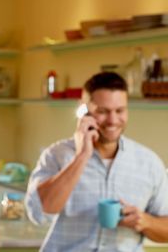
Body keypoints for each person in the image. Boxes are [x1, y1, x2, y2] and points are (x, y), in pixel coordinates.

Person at [25, 72, 168, 251]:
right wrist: (82, 156)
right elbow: (38, 213)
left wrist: (146, 222)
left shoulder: (149, 163)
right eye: (103, 111)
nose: (113, 120)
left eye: (120, 110)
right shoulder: (57, 155)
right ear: (83, 110)